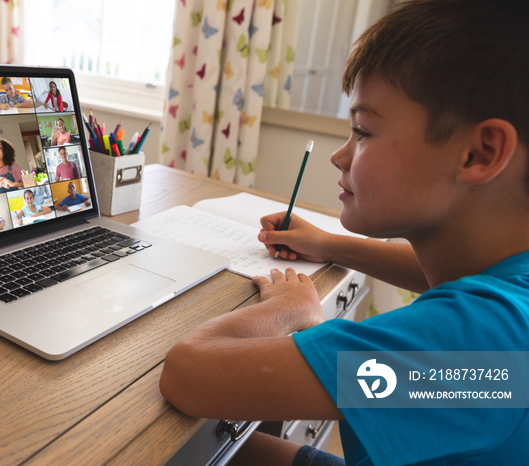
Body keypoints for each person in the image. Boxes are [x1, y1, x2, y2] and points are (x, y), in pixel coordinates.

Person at [159, 1, 529, 465]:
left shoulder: (478, 347)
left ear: (479, 153)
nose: (341, 155)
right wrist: (327, 243)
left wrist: (294, 313)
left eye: (363, 131)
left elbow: (188, 373)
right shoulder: (508, 291)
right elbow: (435, 274)